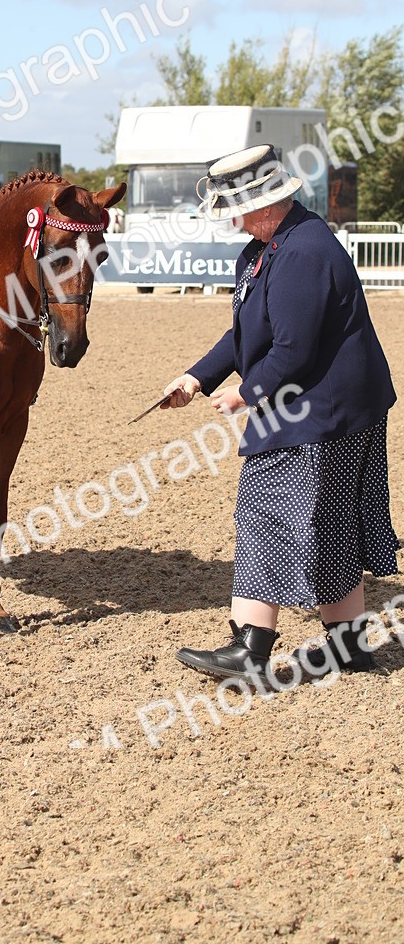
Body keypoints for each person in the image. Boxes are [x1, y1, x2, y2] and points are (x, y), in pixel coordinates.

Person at [163, 143, 398, 680]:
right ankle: (350, 647)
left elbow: (293, 349)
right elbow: (243, 331)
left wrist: (245, 393)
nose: (235, 221)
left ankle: (251, 649)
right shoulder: (264, 248)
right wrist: (197, 378)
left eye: (239, 210)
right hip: (321, 402)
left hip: (325, 406)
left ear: (266, 203)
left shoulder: (304, 251)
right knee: (331, 522)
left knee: (264, 511)